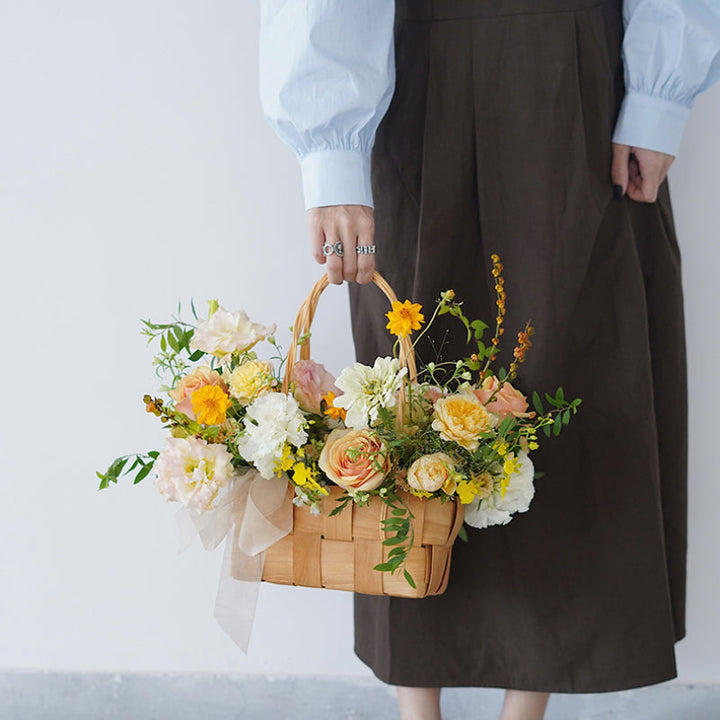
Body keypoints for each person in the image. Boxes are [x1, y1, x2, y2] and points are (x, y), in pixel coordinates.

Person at [258, 1, 720, 719]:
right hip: (416, 70)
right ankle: (418, 709)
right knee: (406, 392)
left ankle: (524, 711)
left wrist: (659, 96)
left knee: (563, 371)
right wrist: (330, 149)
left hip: (576, 67)